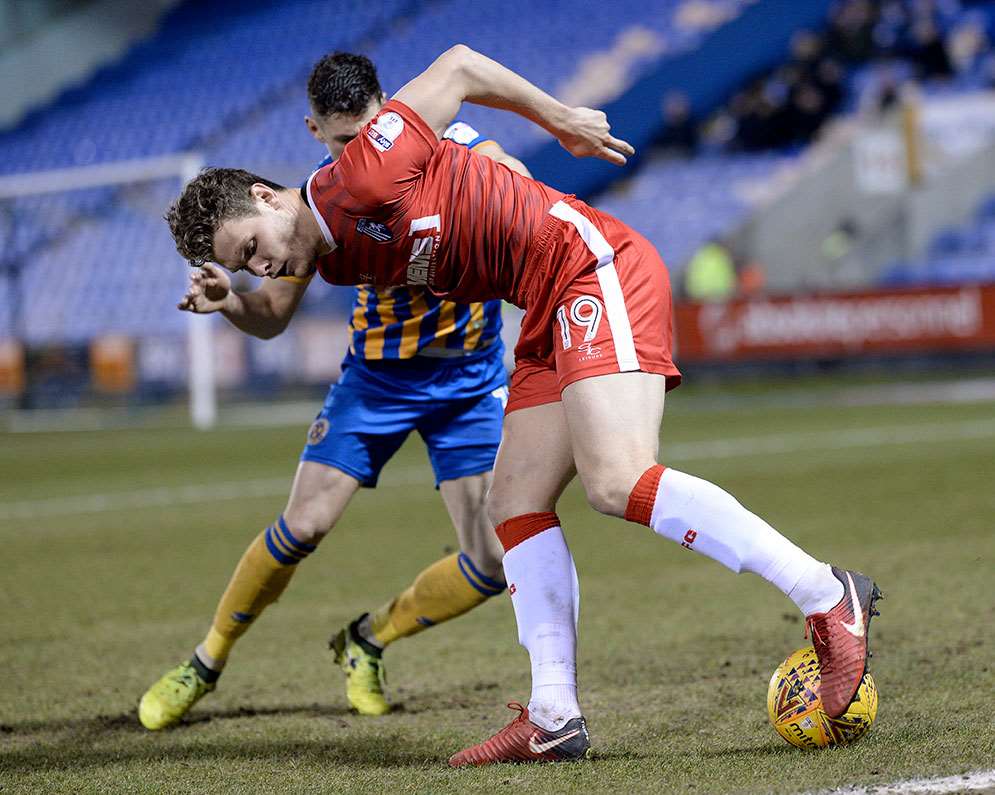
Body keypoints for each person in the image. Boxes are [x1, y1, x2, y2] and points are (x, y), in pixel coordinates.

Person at [165, 45, 882, 765]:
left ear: (266, 196)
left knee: (616, 480)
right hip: (541, 303)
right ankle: (553, 714)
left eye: (252, 247)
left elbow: (457, 68)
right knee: (513, 506)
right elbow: (283, 299)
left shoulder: (363, 171)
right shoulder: (325, 253)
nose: (258, 265)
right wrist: (238, 302)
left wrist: (561, 118)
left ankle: (825, 595)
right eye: (242, 264)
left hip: (590, 266)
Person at [139, 52, 532, 730]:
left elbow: (510, 175)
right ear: (314, 133)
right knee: (304, 524)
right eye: (342, 142)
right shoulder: (315, 212)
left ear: (389, 111)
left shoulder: (446, 148)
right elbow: (270, 315)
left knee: (493, 561)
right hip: (377, 380)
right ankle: (205, 660)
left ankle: (368, 638)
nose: (360, 153)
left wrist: (503, 189)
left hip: (468, 379)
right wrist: (231, 301)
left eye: (367, 134)